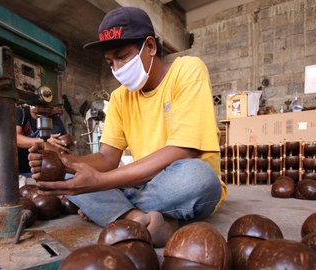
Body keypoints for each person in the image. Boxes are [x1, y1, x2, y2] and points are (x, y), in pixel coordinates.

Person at [28, 7, 226, 247]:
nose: (117, 69)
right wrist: (60, 162)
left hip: (178, 184)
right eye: (111, 62)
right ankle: (141, 219)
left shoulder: (187, 70)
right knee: (71, 175)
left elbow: (183, 150)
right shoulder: (120, 98)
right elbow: (107, 157)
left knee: (198, 177)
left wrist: (100, 185)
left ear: (150, 47)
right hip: (141, 182)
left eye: (123, 57)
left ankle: (118, 211)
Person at [0, 104, 71, 175]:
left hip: (39, 162)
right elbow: (16, 139)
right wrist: (43, 141)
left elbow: (59, 146)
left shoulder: (54, 119)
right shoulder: (21, 111)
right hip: (17, 160)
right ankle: (12, 175)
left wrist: (67, 148)